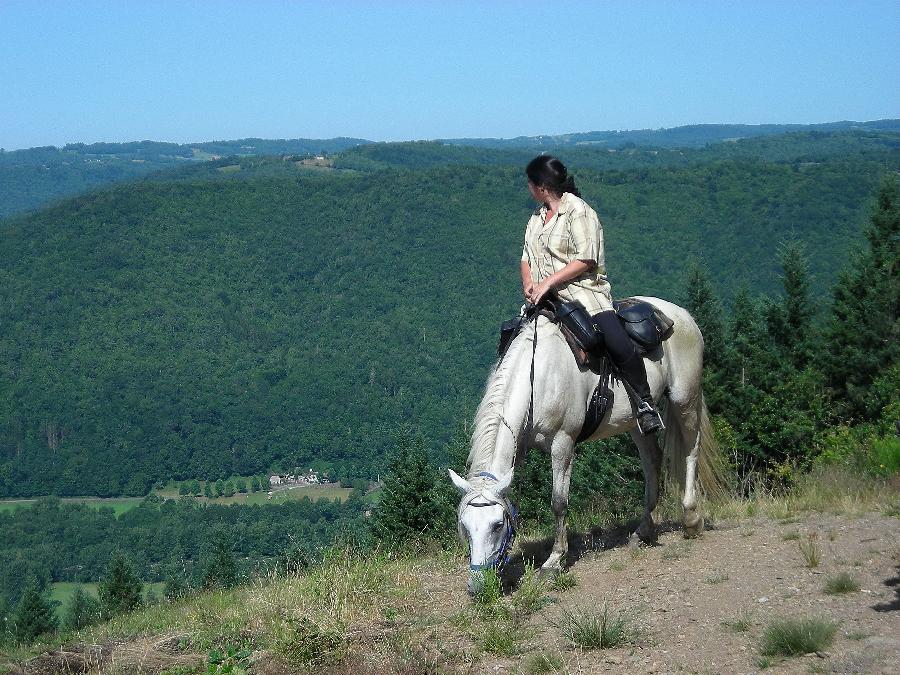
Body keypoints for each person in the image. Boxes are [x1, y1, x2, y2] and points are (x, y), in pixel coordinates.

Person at [520, 155, 663, 434]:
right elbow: (526, 256)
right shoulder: (536, 218)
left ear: (542, 187)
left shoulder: (580, 212)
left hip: (585, 295)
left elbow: (586, 260)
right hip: (544, 299)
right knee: (512, 340)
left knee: (618, 343)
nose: (528, 188)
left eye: (530, 183)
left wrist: (548, 281)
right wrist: (529, 283)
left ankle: (645, 403)